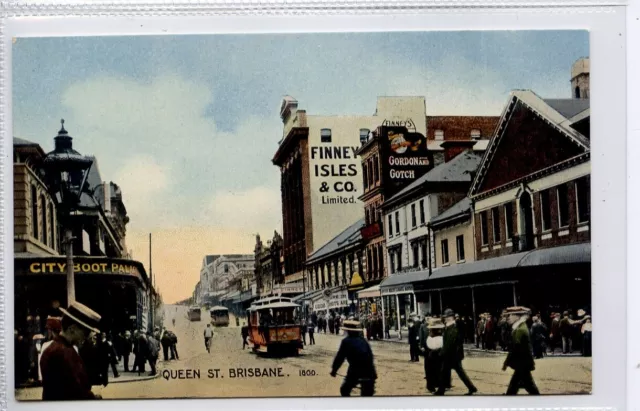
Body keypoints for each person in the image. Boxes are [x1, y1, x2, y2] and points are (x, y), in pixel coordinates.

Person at [40, 302, 102, 400]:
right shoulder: (62, 352)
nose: (86, 337)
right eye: (85, 332)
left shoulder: (59, 348)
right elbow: (76, 392)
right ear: (72, 329)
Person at [435, 309, 477, 396]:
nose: (444, 319)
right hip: (452, 355)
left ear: (450, 318)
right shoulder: (449, 327)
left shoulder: (453, 328)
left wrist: (441, 353)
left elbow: (449, 344)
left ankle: (441, 390)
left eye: (446, 317)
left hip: (452, 355)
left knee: (448, 372)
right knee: (447, 372)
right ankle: (471, 388)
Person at [330, 319, 377, 397]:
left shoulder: (346, 342)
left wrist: (334, 370)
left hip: (355, 372)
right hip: (370, 373)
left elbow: (340, 358)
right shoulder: (363, 340)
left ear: (348, 331)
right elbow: (370, 356)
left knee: (344, 390)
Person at [503, 306, 540, 395]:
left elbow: (514, 348)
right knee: (520, 386)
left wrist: (506, 362)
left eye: (510, 315)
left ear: (517, 316)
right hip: (523, 363)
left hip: (522, 364)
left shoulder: (520, 330)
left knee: (527, 387)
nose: (508, 318)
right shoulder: (520, 327)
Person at [421, 317, 444, 393]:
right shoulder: (438, 335)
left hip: (432, 354)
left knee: (432, 371)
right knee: (434, 371)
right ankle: (432, 386)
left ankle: (432, 386)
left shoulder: (431, 335)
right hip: (433, 354)